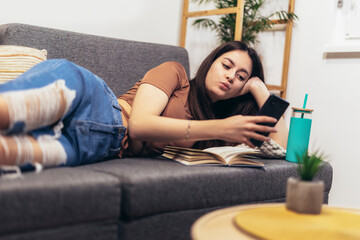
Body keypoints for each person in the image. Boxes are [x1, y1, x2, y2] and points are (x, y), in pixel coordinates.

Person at [0, 41, 288, 169]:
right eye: (227, 65)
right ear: (211, 61)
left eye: (240, 77)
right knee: (9, 108)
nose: (231, 77)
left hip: (97, 148)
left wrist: (258, 87)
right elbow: (139, 126)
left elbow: (285, 149)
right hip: (96, 103)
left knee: (8, 155)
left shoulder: (215, 127)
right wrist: (224, 128)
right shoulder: (175, 73)